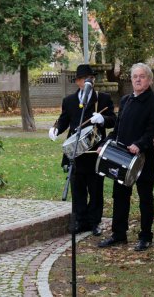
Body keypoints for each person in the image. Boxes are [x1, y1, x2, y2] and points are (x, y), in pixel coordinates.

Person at [97, 63, 154, 251]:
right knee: (119, 196)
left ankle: (146, 236)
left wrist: (140, 145)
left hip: (143, 159)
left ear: (149, 80)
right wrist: (104, 144)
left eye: (142, 76)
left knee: (145, 198)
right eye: (135, 76)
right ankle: (119, 234)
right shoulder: (126, 100)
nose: (137, 79)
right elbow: (117, 130)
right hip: (121, 158)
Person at [49, 64, 116, 236]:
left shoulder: (103, 98)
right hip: (75, 153)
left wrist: (103, 119)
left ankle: (95, 222)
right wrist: (55, 129)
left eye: (91, 79)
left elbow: (114, 121)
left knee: (95, 188)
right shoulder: (69, 101)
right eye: (85, 79)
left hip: (95, 151)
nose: (89, 81)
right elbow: (64, 120)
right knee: (77, 188)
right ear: (78, 81)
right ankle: (81, 220)